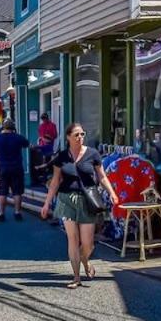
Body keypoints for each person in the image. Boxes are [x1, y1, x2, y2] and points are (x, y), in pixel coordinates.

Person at [40, 123, 120, 288]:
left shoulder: (93, 154)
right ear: (68, 137)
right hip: (66, 199)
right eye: (76, 135)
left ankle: (85, 259)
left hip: (87, 200)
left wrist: (112, 193)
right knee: (73, 239)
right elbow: (55, 181)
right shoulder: (61, 157)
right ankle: (76, 277)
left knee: (88, 243)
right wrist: (47, 203)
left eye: (82, 134)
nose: (80, 137)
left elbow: (102, 176)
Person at [0, 120, 31, 222]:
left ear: (3, 128)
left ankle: (1, 214)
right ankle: (17, 212)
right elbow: (28, 144)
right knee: (17, 192)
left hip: (2, 168)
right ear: (13, 128)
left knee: (2, 192)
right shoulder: (18, 137)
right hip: (16, 168)